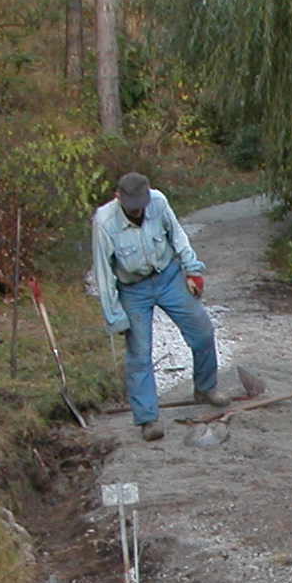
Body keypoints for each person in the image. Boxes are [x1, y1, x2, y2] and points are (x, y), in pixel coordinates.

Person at [90, 171, 227, 440]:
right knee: (139, 354)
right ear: (119, 198)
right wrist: (114, 314)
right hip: (132, 289)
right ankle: (147, 419)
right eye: (132, 206)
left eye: (141, 204)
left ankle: (205, 388)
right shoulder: (104, 221)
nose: (139, 210)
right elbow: (103, 272)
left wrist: (192, 270)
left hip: (168, 276)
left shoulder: (159, 202)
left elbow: (178, 236)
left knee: (202, 331)